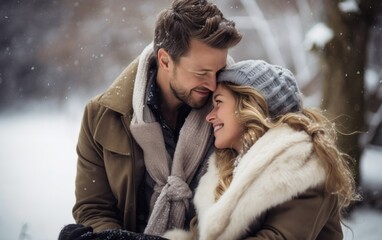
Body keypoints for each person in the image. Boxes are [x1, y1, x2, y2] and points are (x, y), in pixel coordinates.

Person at [58, 0, 242, 239]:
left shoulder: (238, 113)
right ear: (165, 60)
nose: (212, 84)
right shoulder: (101, 116)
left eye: (218, 71)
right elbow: (94, 208)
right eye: (201, 73)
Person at [163, 60, 359, 240]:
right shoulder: (226, 170)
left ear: (250, 106)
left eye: (219, 103)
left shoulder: (304, 166)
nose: (209, 117)